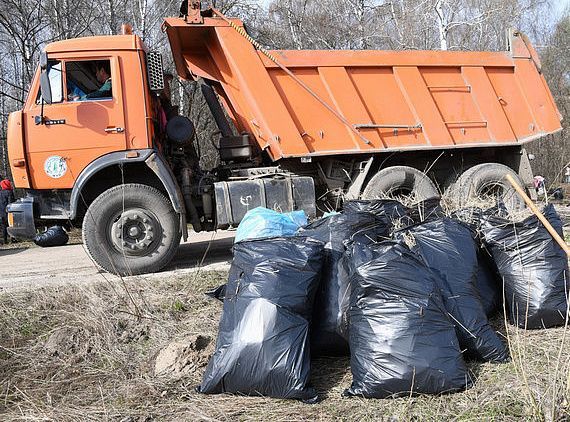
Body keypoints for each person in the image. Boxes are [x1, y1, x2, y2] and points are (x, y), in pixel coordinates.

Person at [0, 176, 15, 245]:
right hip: (8, 212)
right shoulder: (9, 192)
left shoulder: (0, 193)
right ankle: (12, 239)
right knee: (11, 225)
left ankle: (5, 241)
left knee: (4, 227)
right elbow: (10, 203)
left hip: (1, 213)